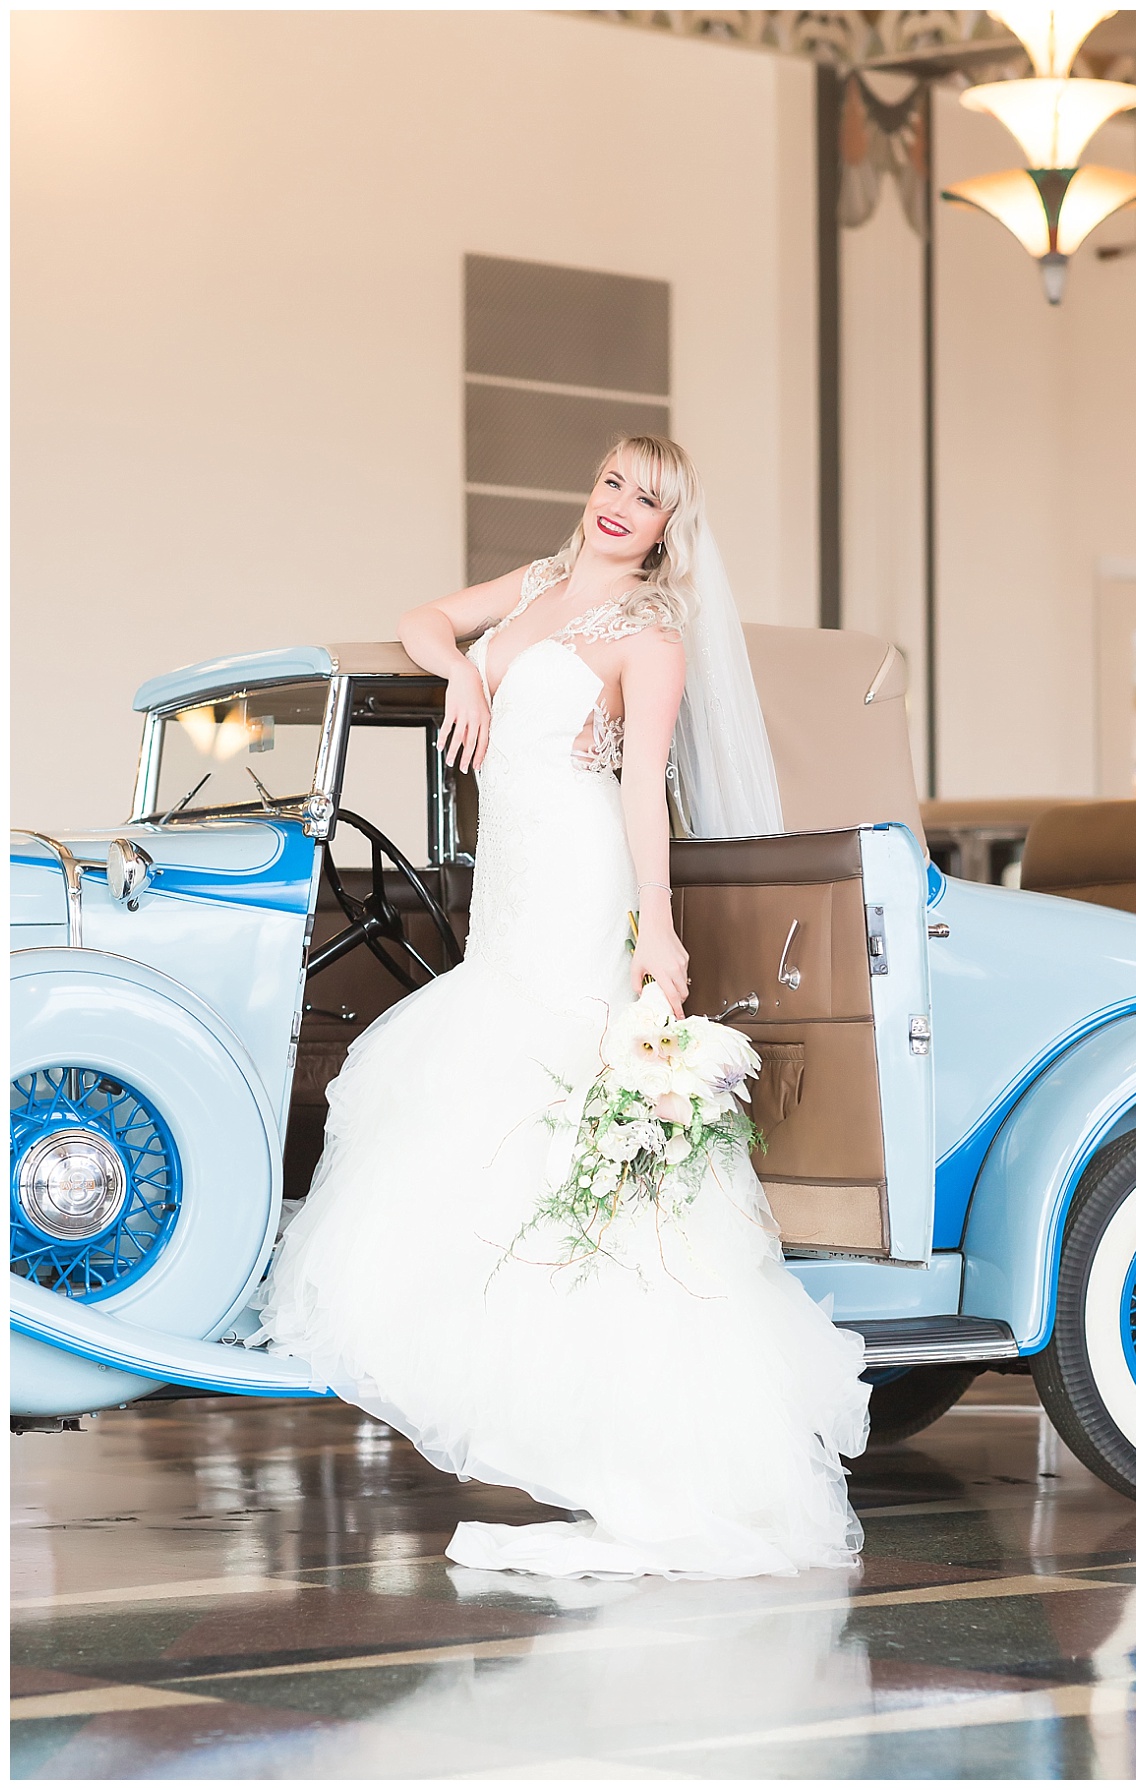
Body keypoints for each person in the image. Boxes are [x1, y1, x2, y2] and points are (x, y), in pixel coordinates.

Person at [254, 436, 870, 1577]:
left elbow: (644, 790)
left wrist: (660, 929)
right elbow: (425, 616)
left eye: (648, 498)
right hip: (511, 871)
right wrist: (467, 673)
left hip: (581, 871)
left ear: (669, 525)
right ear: (587, 490)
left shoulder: (652, 634)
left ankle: (621, 1412)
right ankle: (505, 1349)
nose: (621, 507)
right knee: (488, 1081)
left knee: (554, 1087)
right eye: (611, 484)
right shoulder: (539, 584)